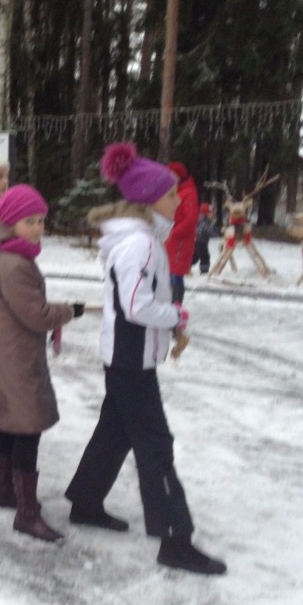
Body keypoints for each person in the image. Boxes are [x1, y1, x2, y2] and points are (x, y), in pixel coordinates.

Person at [64, 142, 226, 575]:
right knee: (156, 445)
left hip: (127, 354)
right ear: (151, 198)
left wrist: (167, 317)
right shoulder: (140, 245)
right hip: (131, 357)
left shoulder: (141, 239)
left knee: (115, 431)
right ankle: (175, 539)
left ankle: (85, 501)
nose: (179, 200)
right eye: (172, 194)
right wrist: (175, 313)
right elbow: (136, 305)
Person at [0, 184, 79, 542]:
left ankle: (3, 491)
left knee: (11, 422)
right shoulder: (16, 263)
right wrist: (69, 311)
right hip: (14, 358)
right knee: (26, 426)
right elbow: (36, 316)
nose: (38, 228)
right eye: (29, 221)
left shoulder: (9, 255)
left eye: (41, 221)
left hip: (6, 353)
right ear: (9, 223)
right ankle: (25, 512)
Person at [164, 161, 199, 303]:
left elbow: (191, 219)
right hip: (171, 240)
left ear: (178, 176)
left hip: (180, 242)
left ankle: (176, 310)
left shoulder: (188, 193)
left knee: (176, 275)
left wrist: (174, 233)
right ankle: (167, 307)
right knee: (167, 275)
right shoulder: (175, 191)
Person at [193, 202, 215, 274]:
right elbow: (208, 231)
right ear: (206, 214)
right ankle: (204, 271)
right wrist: (217, 233)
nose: (212, 215)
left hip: (198, 242)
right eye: (211, 213)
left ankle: (186, 266)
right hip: (201, 243)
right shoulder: (203, 221)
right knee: (205, 257)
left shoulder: (201, 220)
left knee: (195, 257)